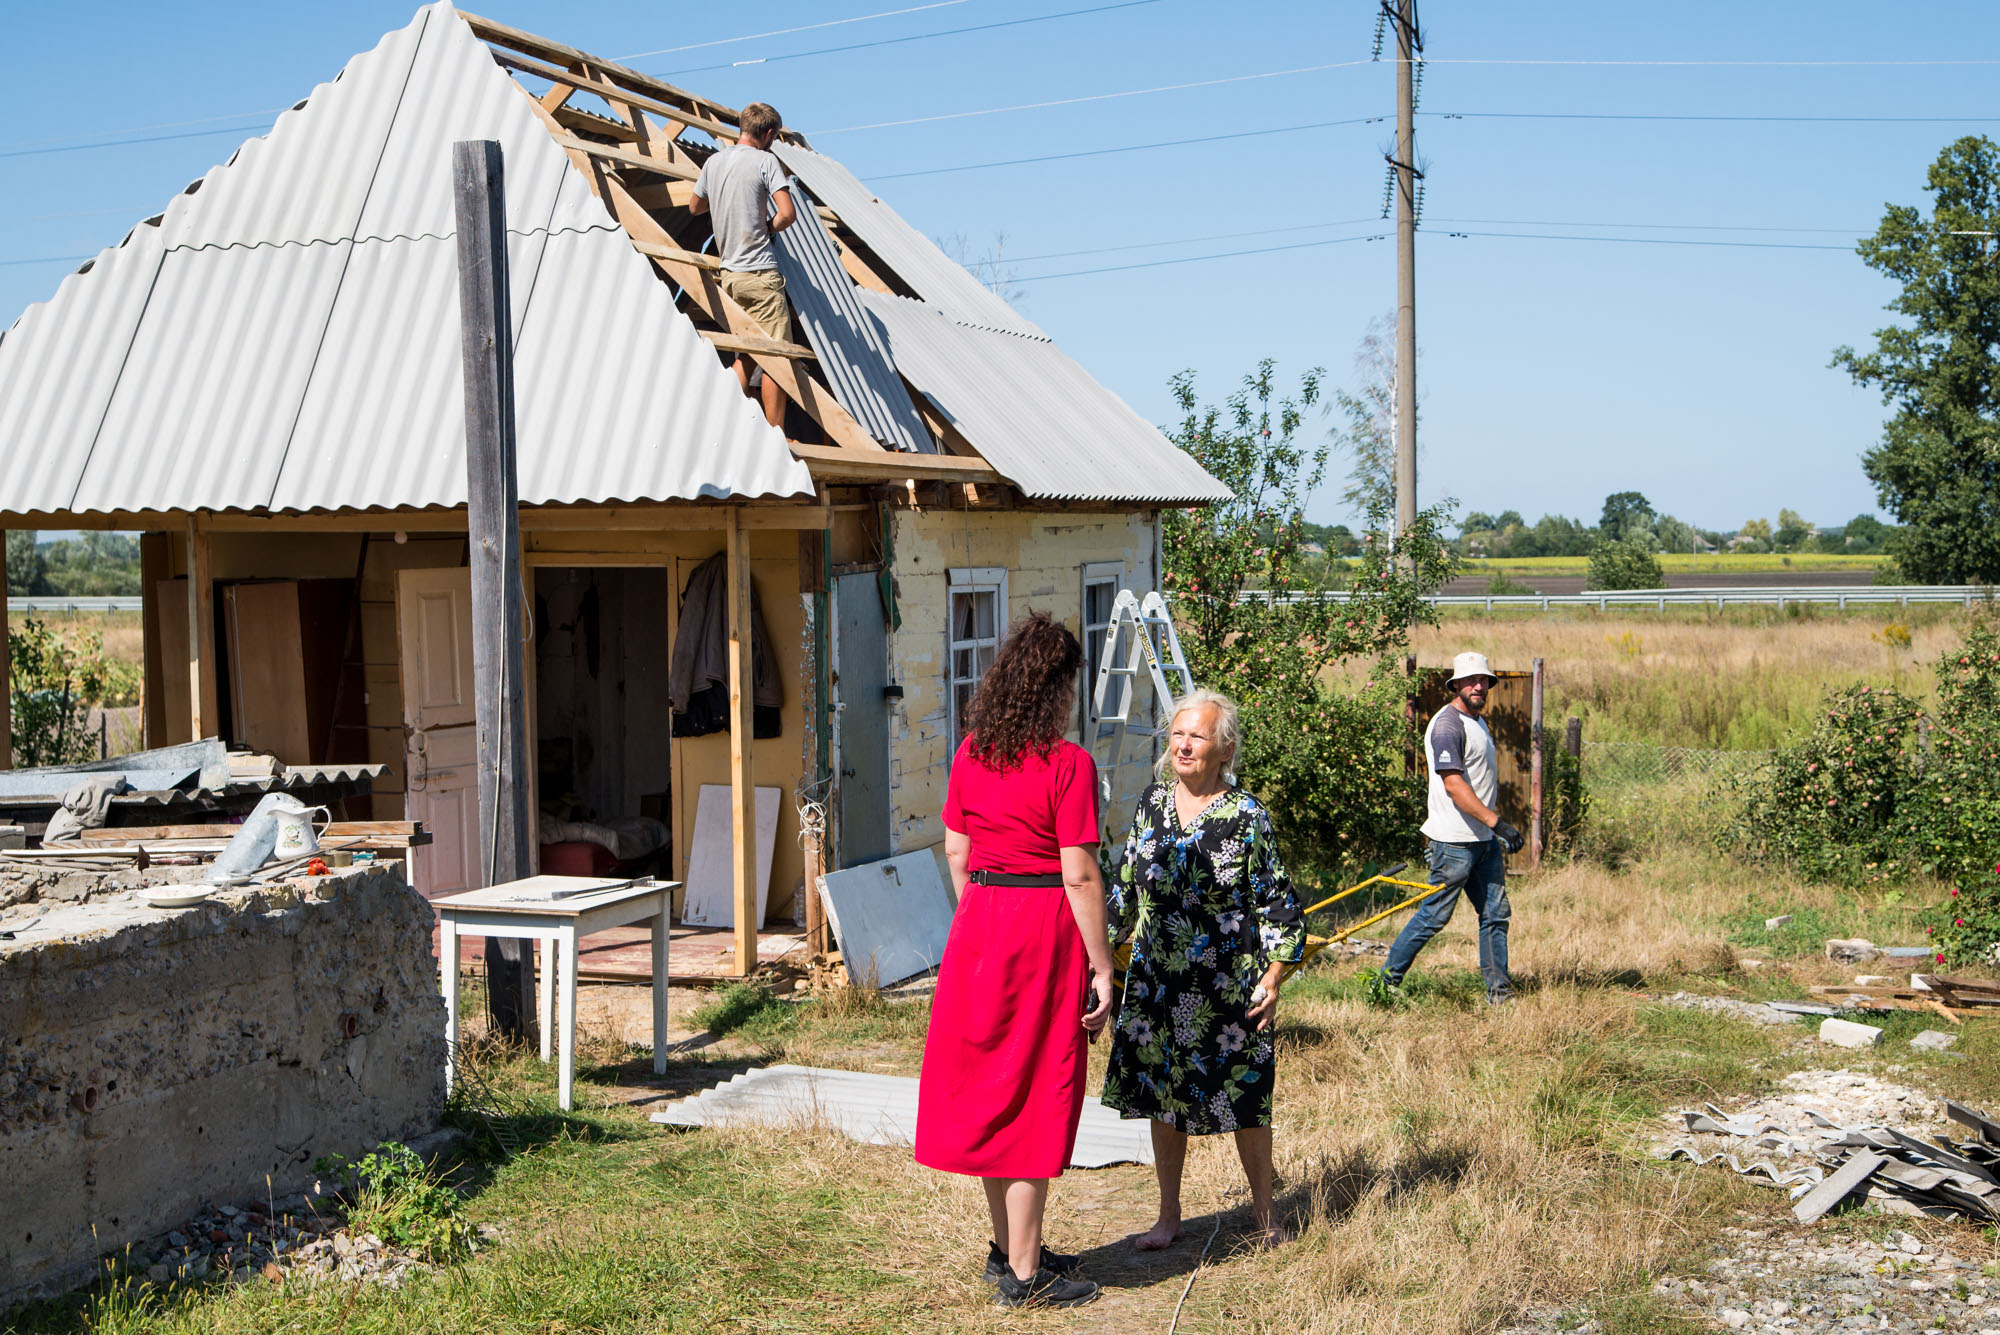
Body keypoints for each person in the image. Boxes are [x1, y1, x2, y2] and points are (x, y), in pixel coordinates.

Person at [913, 612, 1115, 1310]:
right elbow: (1080, 876)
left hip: (980, 924)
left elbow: (957, 854)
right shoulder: (1069, 765)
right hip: (1041, 930)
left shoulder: (972, 752)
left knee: (993, 1088)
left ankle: (1009, 1249)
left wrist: (983, 916)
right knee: (1033, 1093)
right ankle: (1027, 1277)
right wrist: (1104, 965)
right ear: (1057, 687)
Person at [1100, 689, 1306, 1251]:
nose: (1184, 744)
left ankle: (1266, 1218)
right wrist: (1096, 964)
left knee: (1247, 1100)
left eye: (1198, 735)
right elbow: (1122, 892)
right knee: (1164, 1100)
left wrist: (1273, 979)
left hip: (1228, 983)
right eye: (1177, 734)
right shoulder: (1150, 804)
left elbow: (1280, 905)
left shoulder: (1248, 816)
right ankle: (1169, 1217)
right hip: (1156, 982)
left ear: (1225, 748)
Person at [1380, 651, 1527, 1003]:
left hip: (1482, 840)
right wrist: (1499, 824)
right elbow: (1454, 785)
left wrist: (1491, 830)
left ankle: (1500, 993)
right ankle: (1385, 982)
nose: (1480, 686)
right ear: (1456, 685)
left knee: (1495, 914)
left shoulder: (1477, 721)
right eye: (1472, 681)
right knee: (1434, 917)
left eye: (1485, 681)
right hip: (1453, 843)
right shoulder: (1448, 725)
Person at [689, 100, 798, 429]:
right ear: (767, 133)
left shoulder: (713, 162)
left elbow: (695, 207)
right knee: (776, 359)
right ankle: (776, 436)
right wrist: (769, 226)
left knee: (746, 354)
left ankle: (735, 426)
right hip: (761, 273)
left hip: (731, 277)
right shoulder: (766, 162)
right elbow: (788, 213)